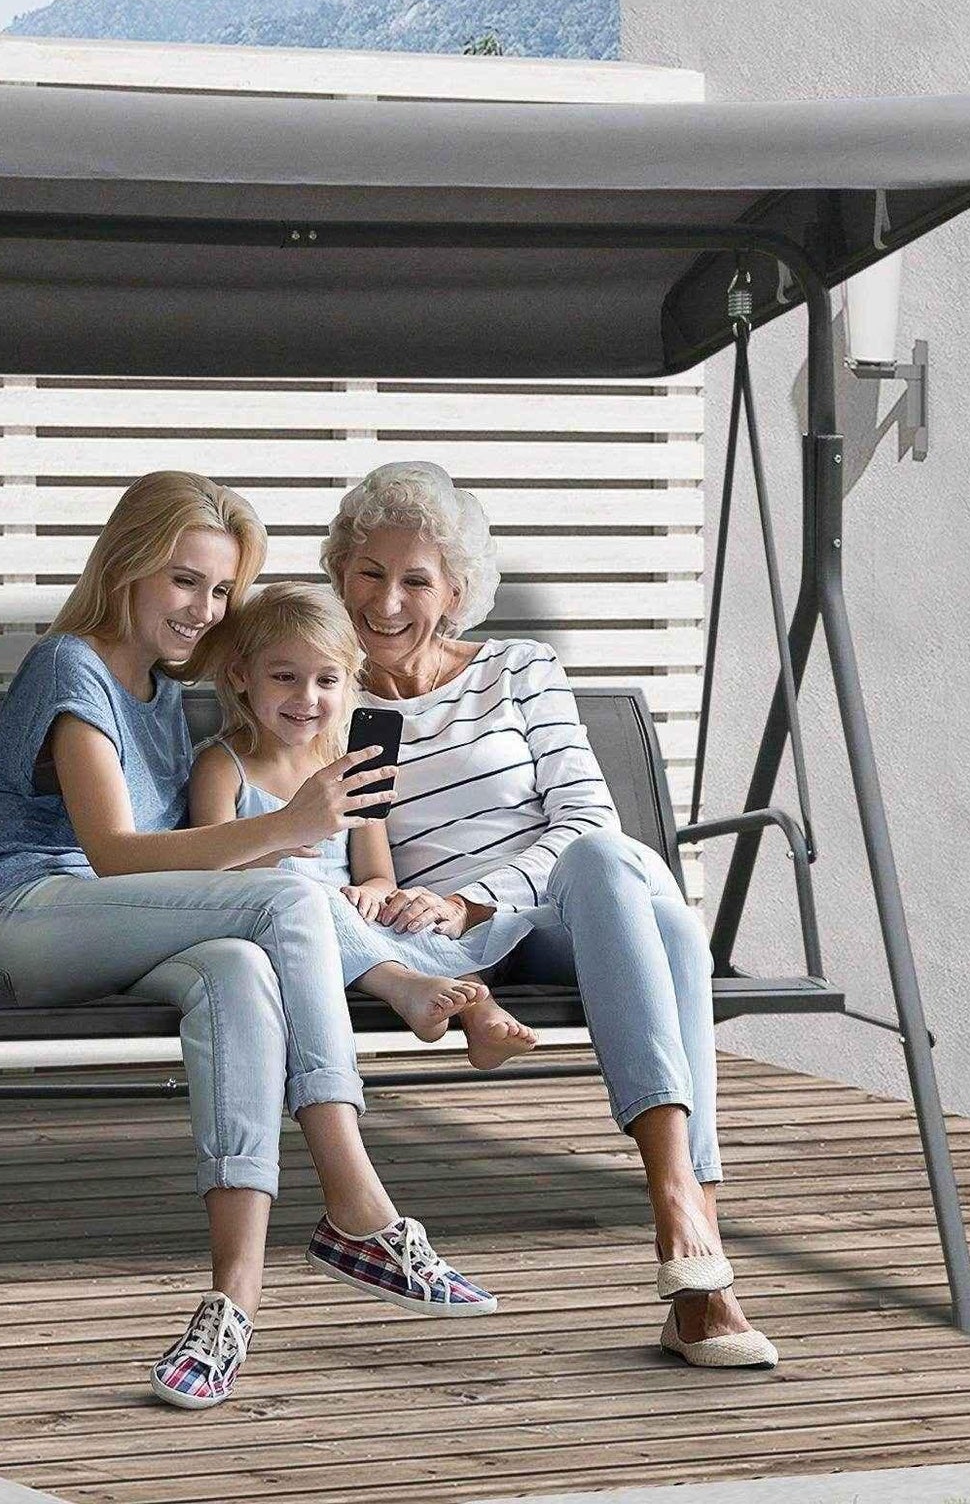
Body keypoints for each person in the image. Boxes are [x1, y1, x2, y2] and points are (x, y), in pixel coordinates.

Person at [0, 472, 498, 1413]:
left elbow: (173, 869)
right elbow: (117, 856)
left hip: (123, 924)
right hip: (22, 919)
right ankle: (359, 1200)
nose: (204, 611)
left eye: (219, 593)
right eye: (184, 582)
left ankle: (231, 1301)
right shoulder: (68, 663)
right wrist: (288, 828)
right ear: (128, 566)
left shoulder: (162, 691)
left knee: (241, 972)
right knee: (282, 896)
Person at [322, 460, 779, 1370]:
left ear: (455, 592)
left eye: (417, 579)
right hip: (456, 944)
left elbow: (587, 821)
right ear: (340, 575)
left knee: (610, 863)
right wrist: (438, 914)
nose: (388, 601)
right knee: (679, 936)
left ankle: (677, 1210)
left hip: (563, 912)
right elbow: (340, 851)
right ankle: (697, 1264)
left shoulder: (520, 670)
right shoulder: (331, 697)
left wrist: (475, 895)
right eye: (370, 572)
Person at [187, 581, 539, 1071]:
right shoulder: (223, 767)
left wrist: (373, 893)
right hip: (272, 927)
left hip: (350, 920)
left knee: (415, 920)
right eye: (285, 676)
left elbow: (377, 872)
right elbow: (211, 876)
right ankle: (403, 988)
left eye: (326, 681)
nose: (306, 698)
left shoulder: (351, 767)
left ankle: (480, 1014)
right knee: (313, 904)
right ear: (243, 675)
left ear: (349, 682)